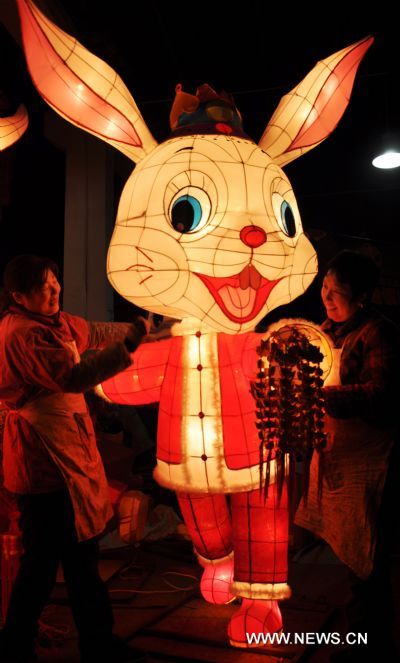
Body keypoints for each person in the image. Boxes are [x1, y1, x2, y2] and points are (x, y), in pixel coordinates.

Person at [0, 255, 151, 663]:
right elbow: (75, 378)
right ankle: (35, 644)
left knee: (72, 559)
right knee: (50, 563)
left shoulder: (56, 322)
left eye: (55, 283)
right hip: (43, 461)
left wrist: (144, 332)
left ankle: (82, 643)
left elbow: (96, 331)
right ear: (18, 296)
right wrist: (131, 344)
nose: (55, 291)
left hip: (67, 455)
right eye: (44, 288)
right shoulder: (23, 334)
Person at [295, 250, 400, 662]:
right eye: (324, 287)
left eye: (337, 291)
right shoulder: (326, 331)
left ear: (362, 296)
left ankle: (372, 647)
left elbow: (385, 395)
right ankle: (360, 637)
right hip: (338, 457)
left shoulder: (379, 333)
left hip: (370, 462)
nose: (327, 296)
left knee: (368, 560)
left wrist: (324, 397)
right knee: (348, 556)